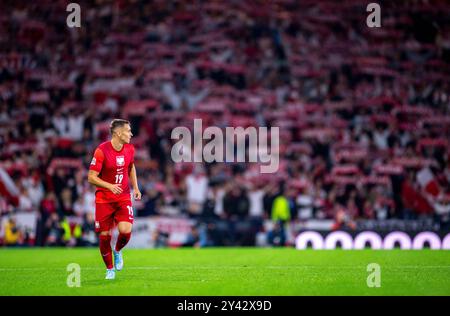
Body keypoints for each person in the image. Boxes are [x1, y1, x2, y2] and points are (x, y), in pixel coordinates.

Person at [88, 119, 142, 280]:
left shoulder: (130, 149)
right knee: (105, 236)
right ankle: (109, 269)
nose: (131, 134)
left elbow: (131, 167)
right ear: (118, 133)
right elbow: (91, 177)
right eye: (128, 131)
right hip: (104, 199)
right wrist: (109, 186)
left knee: (125, 232)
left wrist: (136, 188)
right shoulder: (101, 151)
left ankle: (117, 250)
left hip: (123, 196)